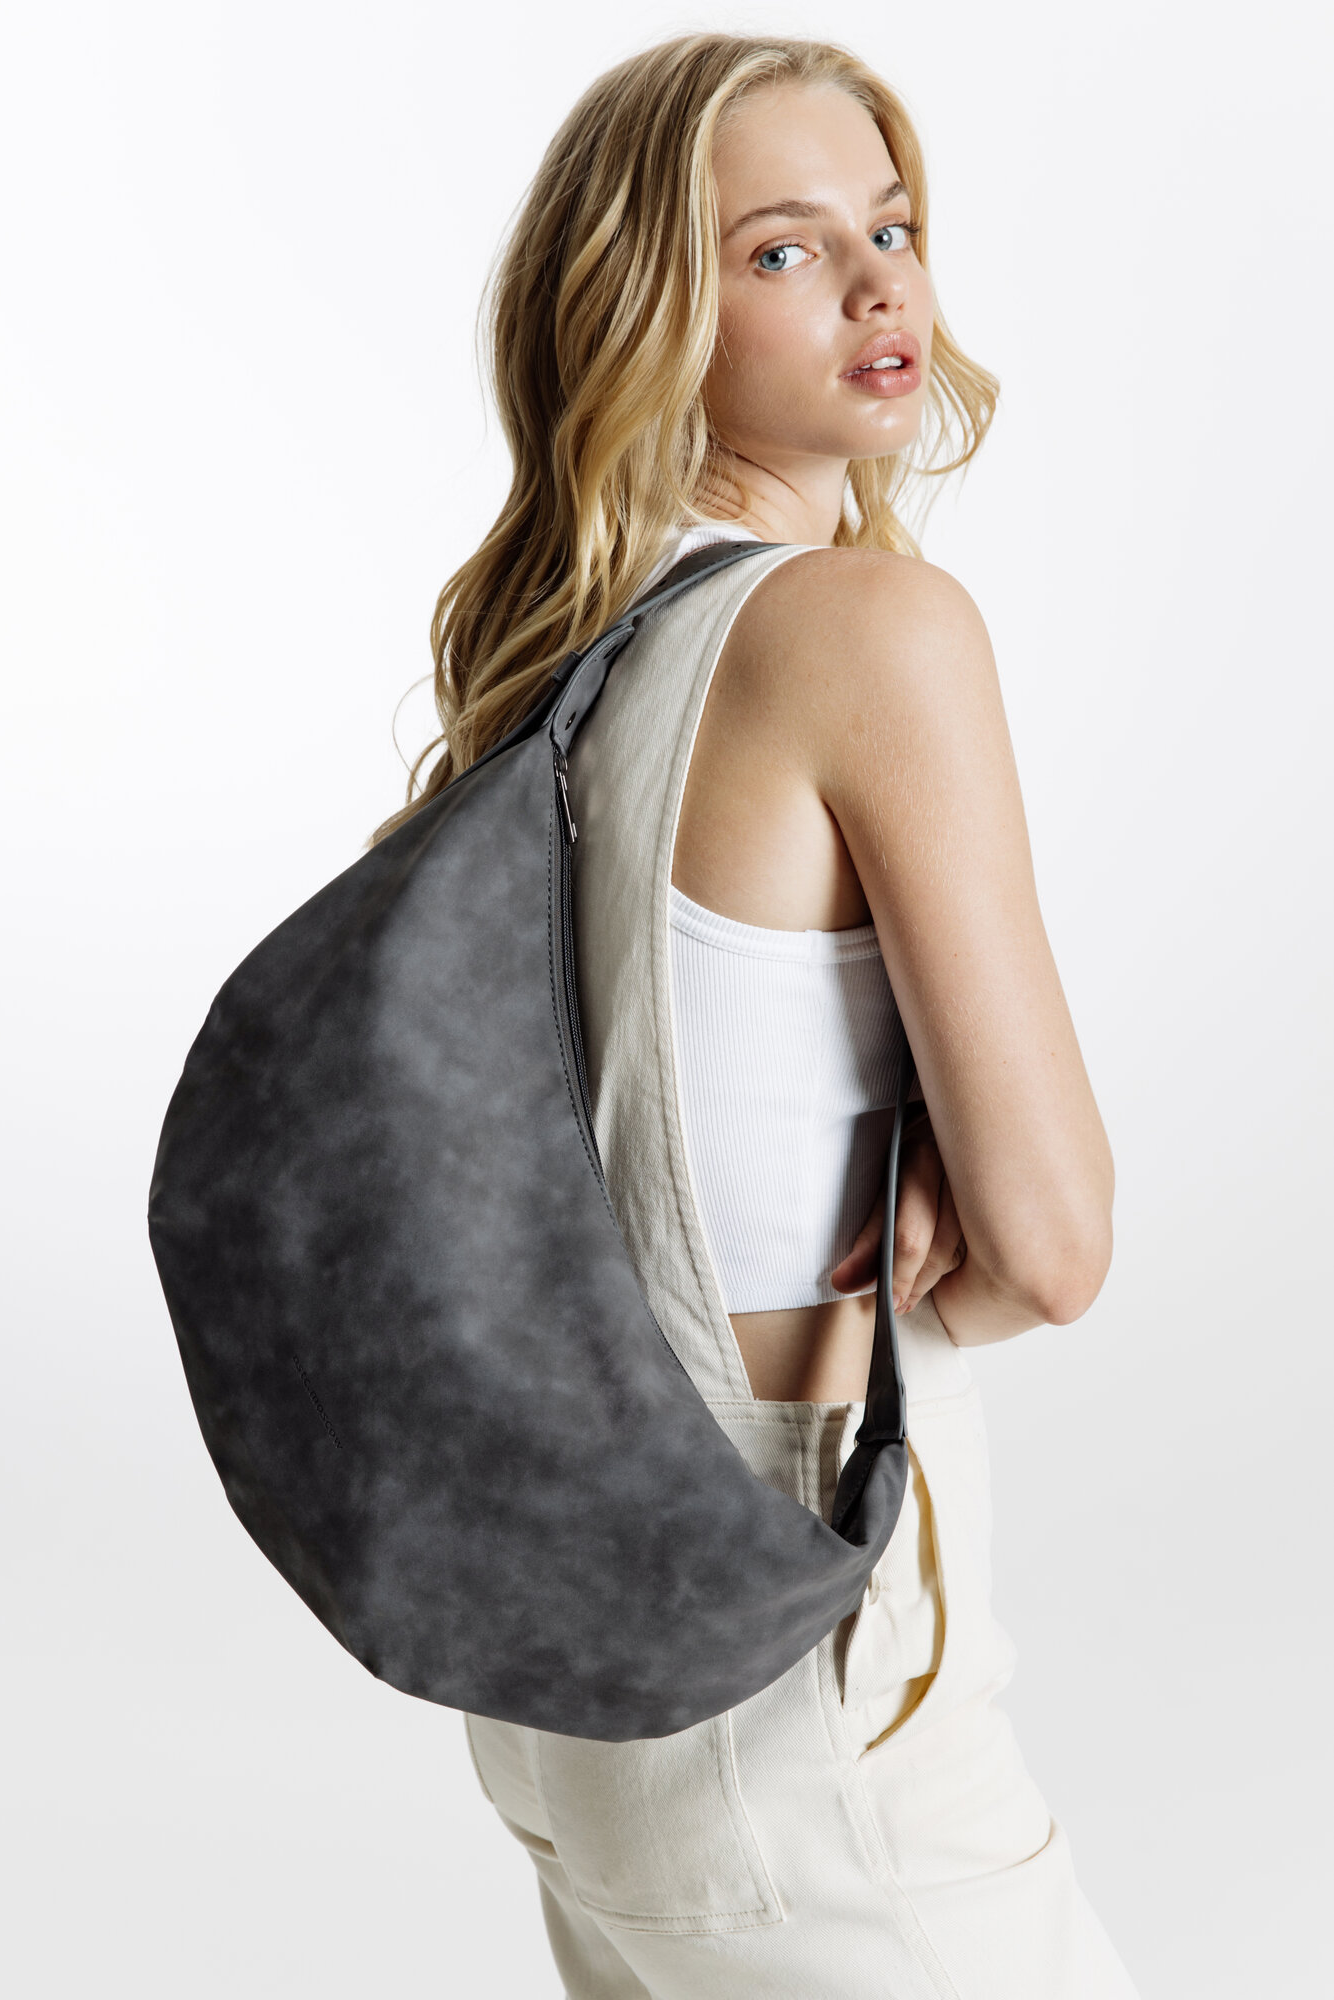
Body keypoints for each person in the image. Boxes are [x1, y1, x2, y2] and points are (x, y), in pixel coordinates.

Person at [379, 32, 1138, 2000]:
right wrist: (939, 1224)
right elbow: (1053, 1246)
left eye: (891, 227)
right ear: (645, 314)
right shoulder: (866, 630)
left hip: (572, 1694)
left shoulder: (549, 687)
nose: (880, 285)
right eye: (785, 250)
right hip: (808, 1688)